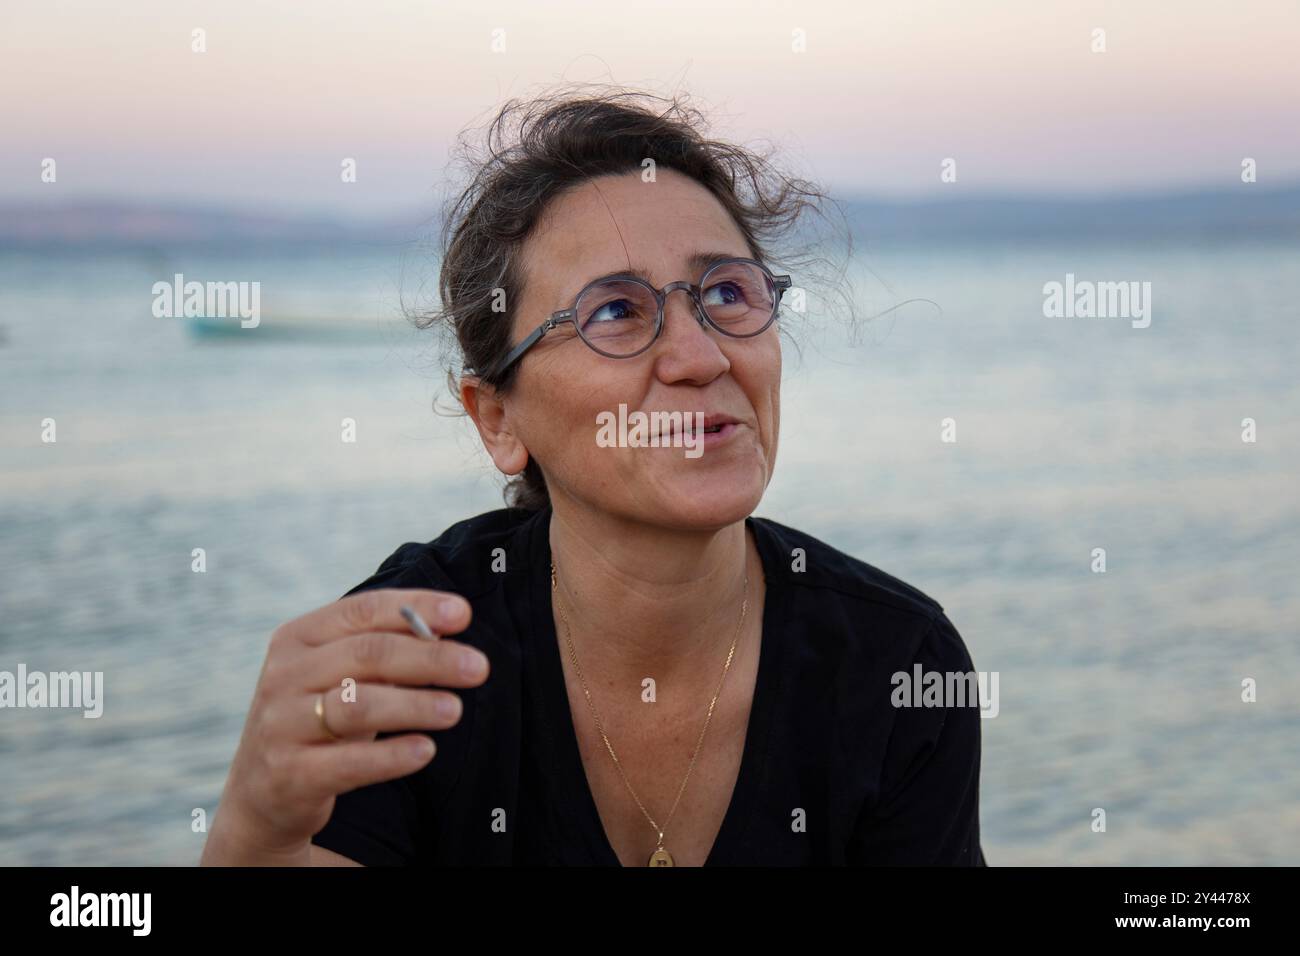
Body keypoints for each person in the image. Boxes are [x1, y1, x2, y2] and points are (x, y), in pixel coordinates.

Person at [199, 86, 987, 867]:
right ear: (497, 420)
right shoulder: (416, 659)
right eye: (616, 312)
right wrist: (255, 832)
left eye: (726, 294)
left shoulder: (895, 664)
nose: (701, 356)